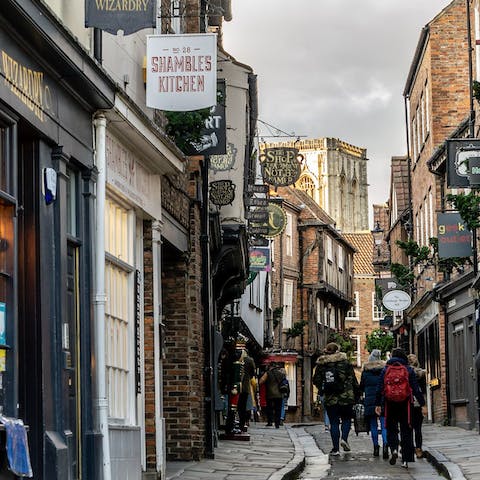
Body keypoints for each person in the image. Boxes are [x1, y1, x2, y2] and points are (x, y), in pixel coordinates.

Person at [375, 347, 426, 469]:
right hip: (406, 404)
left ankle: (394, 449)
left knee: (391, 428)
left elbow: (379, 388)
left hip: (389, 403)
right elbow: (415, 389)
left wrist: (378, 404)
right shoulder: (408, 369)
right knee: (406, 430)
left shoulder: (386, 369)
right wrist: (422, 404)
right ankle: (405, 460)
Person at [313, 342, 360, 456]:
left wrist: (323, 389)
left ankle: (335, 448)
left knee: (334, 422)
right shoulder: (345, 363)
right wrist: (357, 395)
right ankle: (344, 439)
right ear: (337, 350)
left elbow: (316, 380)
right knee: (346, 419)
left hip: (331, 397)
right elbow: (353, 380)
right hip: (346, 397)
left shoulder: (322, 364)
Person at [360, 349, 388, 458]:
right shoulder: (384, 370)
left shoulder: (365, 372)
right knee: (384, 424)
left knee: (373, 425)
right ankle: (386, 444)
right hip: (382, 399)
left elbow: (361, 386)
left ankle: (376, 447)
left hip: (370, 400)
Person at [408, 353, 427, 459]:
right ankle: (418, 449)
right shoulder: (421, 374)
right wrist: (423, 404)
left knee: (408, 427)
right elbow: (422, 390)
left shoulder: (405, 373)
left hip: (407, 403)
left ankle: (409, 447)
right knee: (418, 428)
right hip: (417, 403)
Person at [259, 362, 285, 428]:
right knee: (278, 409)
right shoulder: (281, 374)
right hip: (279, 394)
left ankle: (270, 422)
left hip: (270, 394)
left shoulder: (268, 373)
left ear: (270, 366)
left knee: (269, 408)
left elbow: (261, 381)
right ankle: (277, 423)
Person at [237, 350, 256, 432]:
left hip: (234, 386)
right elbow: (252, 373)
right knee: (243, 406)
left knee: (235, 406)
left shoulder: (235, 356)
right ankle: (242, 424)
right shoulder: (249, 360)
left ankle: (236, 423)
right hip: (245, 387)